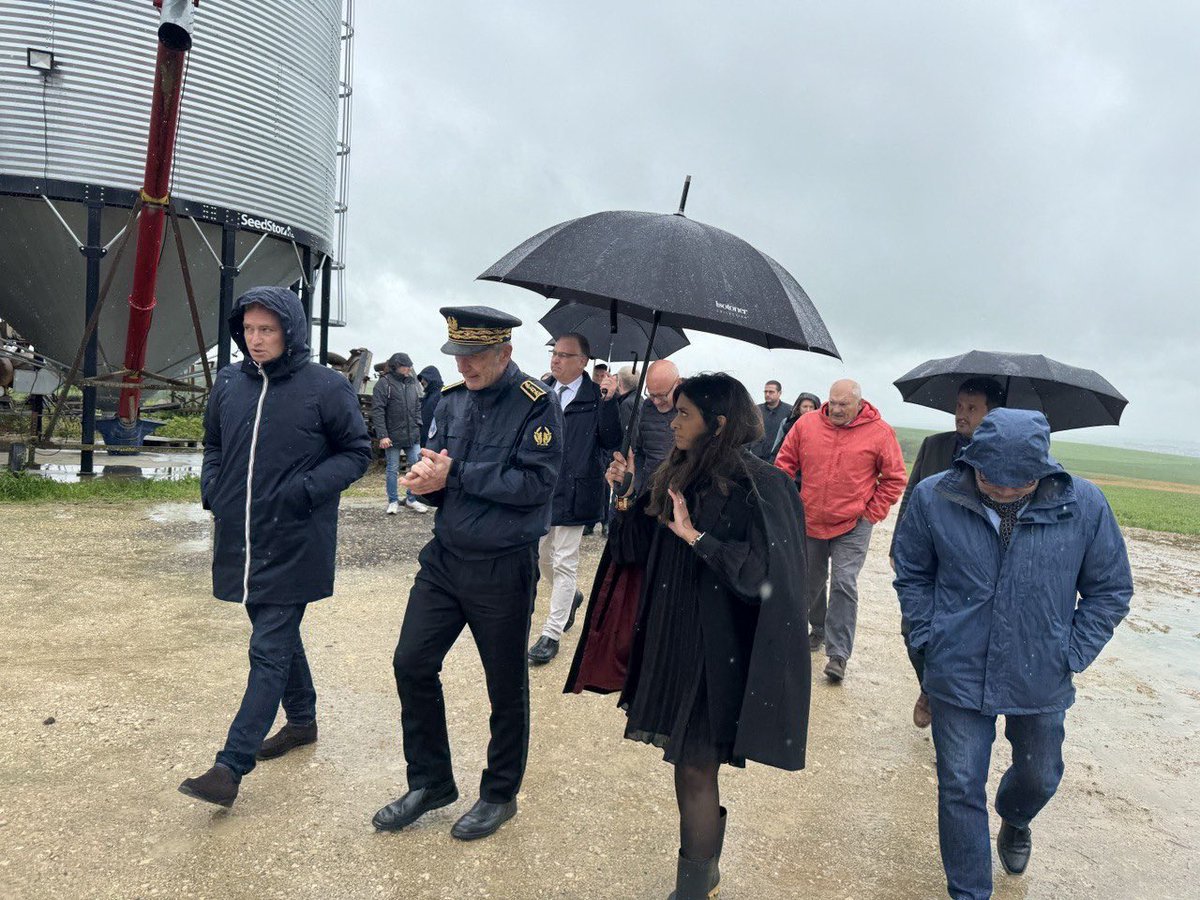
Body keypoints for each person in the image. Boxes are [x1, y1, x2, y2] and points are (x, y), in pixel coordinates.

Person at [566, 373, 810, 900]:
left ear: (718, 423)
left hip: (718, 652)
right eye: (673, 413)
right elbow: (634, 551)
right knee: (686, 763)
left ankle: (693, 886)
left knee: (696, 766)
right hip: (671, 640)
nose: (673, 422)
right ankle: (704, 868)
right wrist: (627, 496)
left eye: (684, 415)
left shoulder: (763, 485)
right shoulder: (673, 472)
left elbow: (764, 578)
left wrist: (698, 538)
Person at [893, 409, 1132, 900]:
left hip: (1041, 670)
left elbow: (1110, 589)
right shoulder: (934, 494)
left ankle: (1017, 816)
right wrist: (928, 634)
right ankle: (970, 893)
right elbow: (911, 570)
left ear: (1043, 469)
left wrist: (1071, 651)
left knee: (1040, 774)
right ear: (972, 461)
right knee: (959, 785)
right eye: (988, 479)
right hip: (956, 667)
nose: (1000, 490)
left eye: (1016, 483)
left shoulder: (1082, 503)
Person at [373, 306, 563, 841]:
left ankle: (500, 794)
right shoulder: (452, 403)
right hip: (447, 558)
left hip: (503, 566)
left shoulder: (537, 405)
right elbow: (440, 471)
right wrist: (426, 482)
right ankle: (431, 781)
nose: (465, 366)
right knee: (411, 663)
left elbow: (535, 486)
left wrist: (459, 473)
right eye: (458, 355)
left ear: (505, 353)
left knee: (504, 685)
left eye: (475, 356)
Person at [179, 286, 371, 808]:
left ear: (290, 331)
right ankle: (303, 720)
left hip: (295, 537)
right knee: (277, 636)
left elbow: (356, 452)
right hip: (241, 536)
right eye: (249, 329)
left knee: (267, 648)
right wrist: (212, 488)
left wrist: (305, 489)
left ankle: (229, 766)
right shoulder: (228, 386)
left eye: (267, 330)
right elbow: (214, 444)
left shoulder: (325, 387)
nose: (256, 340)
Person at [774, 378, 906, 682]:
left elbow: (895, 478)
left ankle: (838, 655)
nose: (835, 409)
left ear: (859, 403)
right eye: (832, 402)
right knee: (811, 580)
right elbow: (784, 463)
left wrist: (872, 513)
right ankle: (817, 627)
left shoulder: (880, 432)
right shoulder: (807, 425)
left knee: (844, 583)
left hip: (854, 523)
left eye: (843, 404)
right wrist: (788, 502)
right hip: (810, 518)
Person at [890, 377, 1004, 729]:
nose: (961, 415)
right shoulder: (935, 446)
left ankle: (952, 707)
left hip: (972, 561)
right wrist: (898, 543)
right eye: (959, 407)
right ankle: (929, 685)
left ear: (993, 414)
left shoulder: (1004, 455)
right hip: (928, 555)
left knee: (961, 634)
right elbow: (911, 495)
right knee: (913, 632)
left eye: (972, 409)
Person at [528, 333, 623, 665]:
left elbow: (613, 440)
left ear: (583, 361)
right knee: (541, 557)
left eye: (565, 355)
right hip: (542, 489)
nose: (556, 360)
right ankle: (572, 598)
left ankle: (551, 633)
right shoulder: (542, 393)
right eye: (554, 353)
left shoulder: (597, 397)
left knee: (564, 560)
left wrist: (610, 402)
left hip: (579, 488)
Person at [371, 352, 428, 515]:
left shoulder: (412, 383)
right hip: (392, 436)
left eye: (410, 366)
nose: (409, 368)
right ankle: (393, 501)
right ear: (396, 366)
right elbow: (378, 410)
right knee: (392, 469)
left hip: (412, 435)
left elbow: (418, 405)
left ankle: (411, 499)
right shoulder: (384, 384)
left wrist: (418, 423)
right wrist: (383, 435)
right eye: (405, 366)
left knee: (417, 466)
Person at [634, 359, 682, 492]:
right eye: (651, 394)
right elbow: (640, 450)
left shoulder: (692, 408)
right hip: (649, 486)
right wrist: (637, 485)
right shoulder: (647, 406)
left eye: (662, 396)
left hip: (678, 489)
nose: (656, 401)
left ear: (677, 383)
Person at [767, 391, 821, 464]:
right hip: (791, 467)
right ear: (799, 408)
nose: (808, 410)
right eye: (805, 406)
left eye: (811, 407)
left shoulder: (822, 427)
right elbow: (778, 446)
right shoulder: (788, 424)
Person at [750, 380, 788, 460]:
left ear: (779, 393)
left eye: (771, 392)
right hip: (755, 459)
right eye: (765, 392)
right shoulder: (755, 410)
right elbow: (747, 432)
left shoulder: (789, 412)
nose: (767, 394)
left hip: (778, 459)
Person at [416, 364, 444, 448]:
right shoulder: (427, 396)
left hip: (436, 439)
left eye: (423, 379)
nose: (421, 382)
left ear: (430, 378)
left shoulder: (442, 394)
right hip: (425, 437)